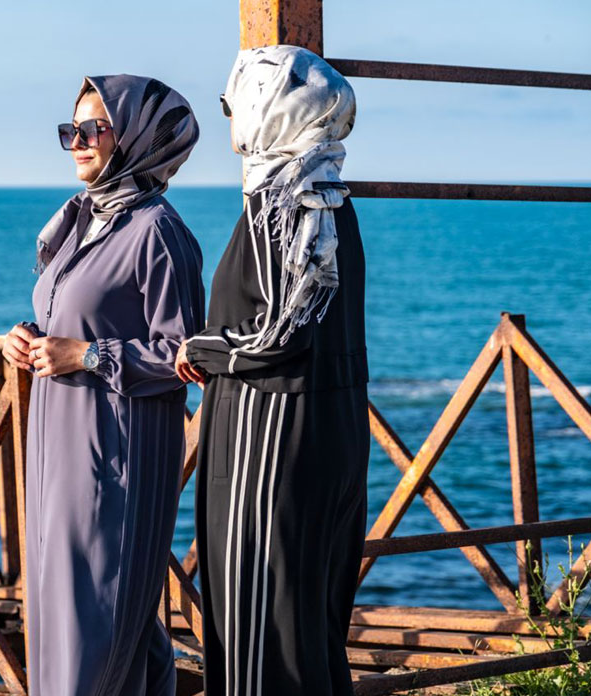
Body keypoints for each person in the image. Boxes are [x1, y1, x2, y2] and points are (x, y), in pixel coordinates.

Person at [174, 45, 370, 695]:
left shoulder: (279, 201)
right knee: (308, 617)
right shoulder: (331, 197)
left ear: (268, 108)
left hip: (269, 430)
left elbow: (279, 332)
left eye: (233, 103)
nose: (232, 119)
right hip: (331, 425)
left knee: (256, 619)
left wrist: (200, 349)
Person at [3, 74, 204, 696]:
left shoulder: (157, 232)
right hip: (58, 445)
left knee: (97, 618)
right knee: (87, 616)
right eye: (72, 131)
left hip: (114, 453)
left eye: (94, 129)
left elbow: (187, 355)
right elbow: (71, 318)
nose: (79, 143)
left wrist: (87, 355)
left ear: (138, 136)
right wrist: (27, 338)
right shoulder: (80, 222)